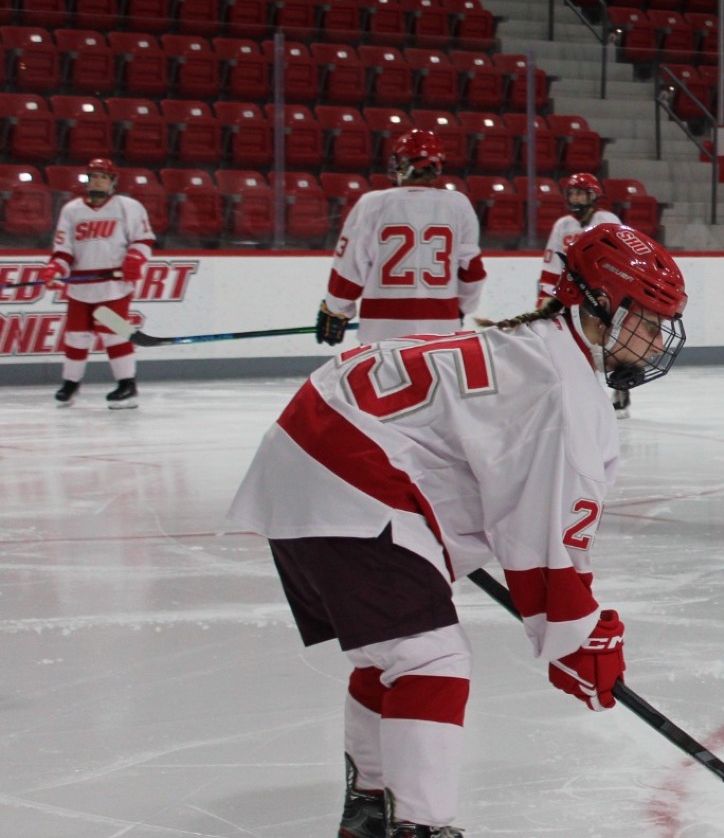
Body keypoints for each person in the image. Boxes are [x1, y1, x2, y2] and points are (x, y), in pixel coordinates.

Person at [231, 224, 688, 838]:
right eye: (648, 318)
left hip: (310, 451)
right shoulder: (562, 387)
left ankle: (370, 808)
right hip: (346, 472)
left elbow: (529, 516)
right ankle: (421, 827)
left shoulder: (539, 345)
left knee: (392, 653)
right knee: (430, 658)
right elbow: (546, 537)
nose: (657, 338)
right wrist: (578, 636)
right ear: (600, 302)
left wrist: (572, 631)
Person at [317, 130, 484, 346]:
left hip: (382, 332)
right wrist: (462, 307)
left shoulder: (373, 204)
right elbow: (472, 271)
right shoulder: (459, 205)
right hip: (441, 332)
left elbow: (350, 266)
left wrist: (336, 310)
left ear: (403, 163)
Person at [45, 158, 153, 409]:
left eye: (103, 177)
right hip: (81, 286)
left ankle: (127, 385)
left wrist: (135, 259)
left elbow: (142, 240)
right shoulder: (72, 210)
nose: (97, 181)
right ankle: (70, 384)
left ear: (112, 181)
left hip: (114, 286)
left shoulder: (128, 207)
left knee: (113, 334)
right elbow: (64, 249)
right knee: (76, 336)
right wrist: (56, 268)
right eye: (93, 176)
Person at [538, 174, 629, 419]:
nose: (576, 197)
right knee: (574, 347)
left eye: (581, 192)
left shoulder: (607, 220)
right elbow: (551, 265)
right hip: (574, 297)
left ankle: (621, 392)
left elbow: (623, 256)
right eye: (573, 193)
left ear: (593, 196)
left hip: (604, 296)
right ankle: (582, 396)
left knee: (611, 346)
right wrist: (543, 300)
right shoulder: (563, 225)